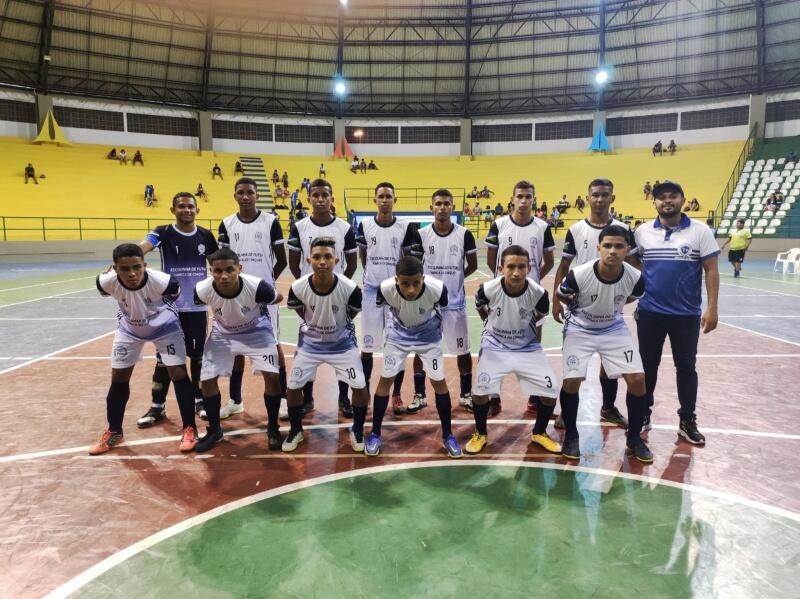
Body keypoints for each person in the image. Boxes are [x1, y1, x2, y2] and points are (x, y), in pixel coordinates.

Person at [89, 244, 198, 455]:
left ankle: (189, 429)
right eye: (124, 268)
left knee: (178, 373)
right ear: (114, 268)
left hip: (166, 329)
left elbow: (173, 297)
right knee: (118, 378)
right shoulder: (105, 282)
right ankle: (114, 431)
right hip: (129, 331)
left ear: (145, 265)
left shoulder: (164, 282)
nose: (131, 274)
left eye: (137, 267)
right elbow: (104, 290)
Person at [634, 180, 719, 446]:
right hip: (650, 312)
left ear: (683, 199)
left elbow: (711, 270)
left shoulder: (700, 231)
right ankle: (643, 415)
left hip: (686, 315)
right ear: (654, 203)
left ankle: (687, 420)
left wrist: (712, 307)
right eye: (661, 198)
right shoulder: (642, 231)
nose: (667, 201)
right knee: (647, 367)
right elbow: (636, 263)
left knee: (686, 367)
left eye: (673, 196)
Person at [555, 225, 651, 462]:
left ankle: (634, 438)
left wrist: (610, 306)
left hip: (613, 327)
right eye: (607, 246)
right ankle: (572, 436)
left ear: (628, 249)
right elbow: (561, 294)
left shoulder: (636, 278)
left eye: (619, 246)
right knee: (572, 380)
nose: (612, 251)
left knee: (638, 380)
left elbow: (632, 296)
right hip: (580, 327)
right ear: (598, 248)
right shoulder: (579, 274)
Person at [551, 178, 640, 430]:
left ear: (613, 197)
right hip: (580, 309)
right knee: (573, 367)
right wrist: (555, 300)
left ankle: (608, 407)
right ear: (587, 197)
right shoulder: (577, 229)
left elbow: (635, 267)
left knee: (610, 363)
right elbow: (564, 265)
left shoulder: (623, 229)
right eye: (595, 195)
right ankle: (566, 413)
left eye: (605, 194)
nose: (600, 199)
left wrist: (630, 295)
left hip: (612, 309)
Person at [464, 245, 560, 455]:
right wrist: (490, 325)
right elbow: (481, 306)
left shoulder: (538, 293)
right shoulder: (488, 289)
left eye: (521, 267)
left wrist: (526, 336)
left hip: (526, 347)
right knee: (480, 391)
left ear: (528, 268)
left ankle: (539, 432)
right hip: (495, 345)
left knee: (551, 390)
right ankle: (480, 433)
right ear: (501, 268)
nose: (516, 272)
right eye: (511, 267)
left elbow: (540, 317)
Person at [363, 256, 461, 458]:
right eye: (405, 283)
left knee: (439, 381)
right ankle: (374, 434)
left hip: (428, 335)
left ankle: (448, 435)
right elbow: (388, 310)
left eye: (416, 283)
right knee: (385, 380)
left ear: (423, 278)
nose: (411, 289)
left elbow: (441, 310)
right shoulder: (385, 289)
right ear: (396, 279)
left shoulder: (438, 289)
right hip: (398, 334)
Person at [135, 192, 218, 427]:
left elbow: (218, 264)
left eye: (190, 207)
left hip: (197, 307)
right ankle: (157, 407)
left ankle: (199, 401)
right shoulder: (163, 232)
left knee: (197, 358)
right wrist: (130, 257)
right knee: (164, 359)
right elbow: (145, 246)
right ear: (173, 210)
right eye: (181, 206)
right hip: (169, 308)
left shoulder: (205, 235)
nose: (186, 210)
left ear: (197, 210)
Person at [193, 248, 283, 452]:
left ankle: (273, 428)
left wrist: (274, 297)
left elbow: (276, 298)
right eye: (217, 271)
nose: (223, 275)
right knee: (206, 381)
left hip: (257, 331)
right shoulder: (202, 290)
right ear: (211, 271)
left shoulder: (258, 287)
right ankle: (215, 430)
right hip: (223, 333)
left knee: (273, 376)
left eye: (229, 270)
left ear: (239, 269)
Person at [284, 237, 368, 452]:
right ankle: (296, 430)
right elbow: (300, 310)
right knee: (293, 386)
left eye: (328, 257)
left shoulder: (350, 288)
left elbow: (352, 313)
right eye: (317, 257)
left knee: (359, 386)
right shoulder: (298, 287)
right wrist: (315, 327)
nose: (322, 261)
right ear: (308, 260)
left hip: (342, 345)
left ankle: (357, 429)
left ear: (336, 260)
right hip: (310, 345)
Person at [217, 177, 287, 420]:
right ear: (234, 195)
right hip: (234, 297)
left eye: (249, 192)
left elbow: (282, 259)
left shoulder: (271, 222)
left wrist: (264, 285)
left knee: (274, 346)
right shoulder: (226, 223)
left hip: (264, 298)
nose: (245, 196)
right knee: (236, 350)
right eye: (240, 192)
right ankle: (235, 400)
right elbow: (220, 258)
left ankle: (285, 399)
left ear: (257, 195)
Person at [288, 178, 358, 417]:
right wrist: (307, 288)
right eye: (315, 195)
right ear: (309, 199)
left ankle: (343, 398)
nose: (320, 199)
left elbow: (351, 264)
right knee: (307, 351)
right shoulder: (299, 227)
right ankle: (307, 399)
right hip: (311, 299)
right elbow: (294, 264)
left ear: (331, 198)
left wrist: (341, 289)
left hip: (338, 299)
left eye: (324, 195)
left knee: (344, 350)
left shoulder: (345, 228)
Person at [485, 180, 555, 416]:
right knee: (495, 342)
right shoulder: (498, 225)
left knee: (534, 341)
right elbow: (491, 259)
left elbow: (550, 261)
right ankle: (493, 395)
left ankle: (534, 395)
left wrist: (532, 279)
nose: (524, 201)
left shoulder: (543, 227)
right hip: (501, 294)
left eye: (528, 197)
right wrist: (502, 279)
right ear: (512, 199)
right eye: (520, 197)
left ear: (534, 199)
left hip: (531, 296)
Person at [356, 183, 421, 415]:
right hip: (372, 292)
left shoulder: (404, 227)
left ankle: (396, 394)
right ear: (375, 200)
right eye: (381, 196)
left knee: (398, 346)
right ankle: (363, 392)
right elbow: (364, 256)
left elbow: (407, 260)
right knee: (368, 346)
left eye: (388, 197)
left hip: (396, 293)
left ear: (395, 200)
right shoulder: (364, 225)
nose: (385, 200)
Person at [413, 189, 477, 412]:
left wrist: (457, 278)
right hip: (428, 303)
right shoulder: (421, 235)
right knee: (421, 348)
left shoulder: (464, 234)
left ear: (453, 207)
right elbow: (414, 266)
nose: (442, 207)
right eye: (438, 203)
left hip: (455, 304)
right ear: (431, 208)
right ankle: (419, 395)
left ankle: (466, 394)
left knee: (462, 350)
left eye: (446, 203)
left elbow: (473, 265)